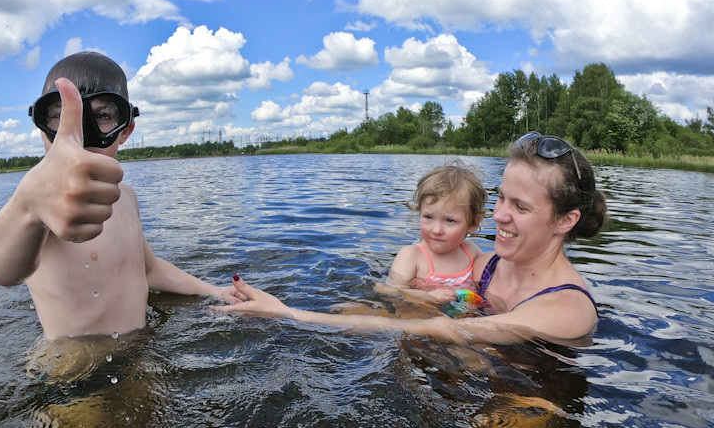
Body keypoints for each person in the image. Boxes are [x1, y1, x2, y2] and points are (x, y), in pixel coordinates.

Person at [216, 132, 607, 343]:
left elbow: (444, 329)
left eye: (520, 207)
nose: (500, 215)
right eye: (501, 197)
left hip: (525, 409)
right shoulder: (486, 266)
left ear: (565, 220)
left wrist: (288, 314)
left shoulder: (566, 309)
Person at [0, 51, 243, 340]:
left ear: (125, 130)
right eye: (58, 115)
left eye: (102, 116)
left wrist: (215, 291)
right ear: (41, 126)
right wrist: (28, 204)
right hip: (74, 370)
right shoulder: (44, 204)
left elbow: (149, 269)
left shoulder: (126, 197)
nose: (79, 133)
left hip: (139, 353)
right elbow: (4, 272)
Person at [383, 161, 486, 311]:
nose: (437, 230)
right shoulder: (412, 256)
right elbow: (387, 291)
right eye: (428, 217)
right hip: (418, 320)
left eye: (450, 220)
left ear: (473, 223)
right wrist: (428, 296)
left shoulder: (472, 252)